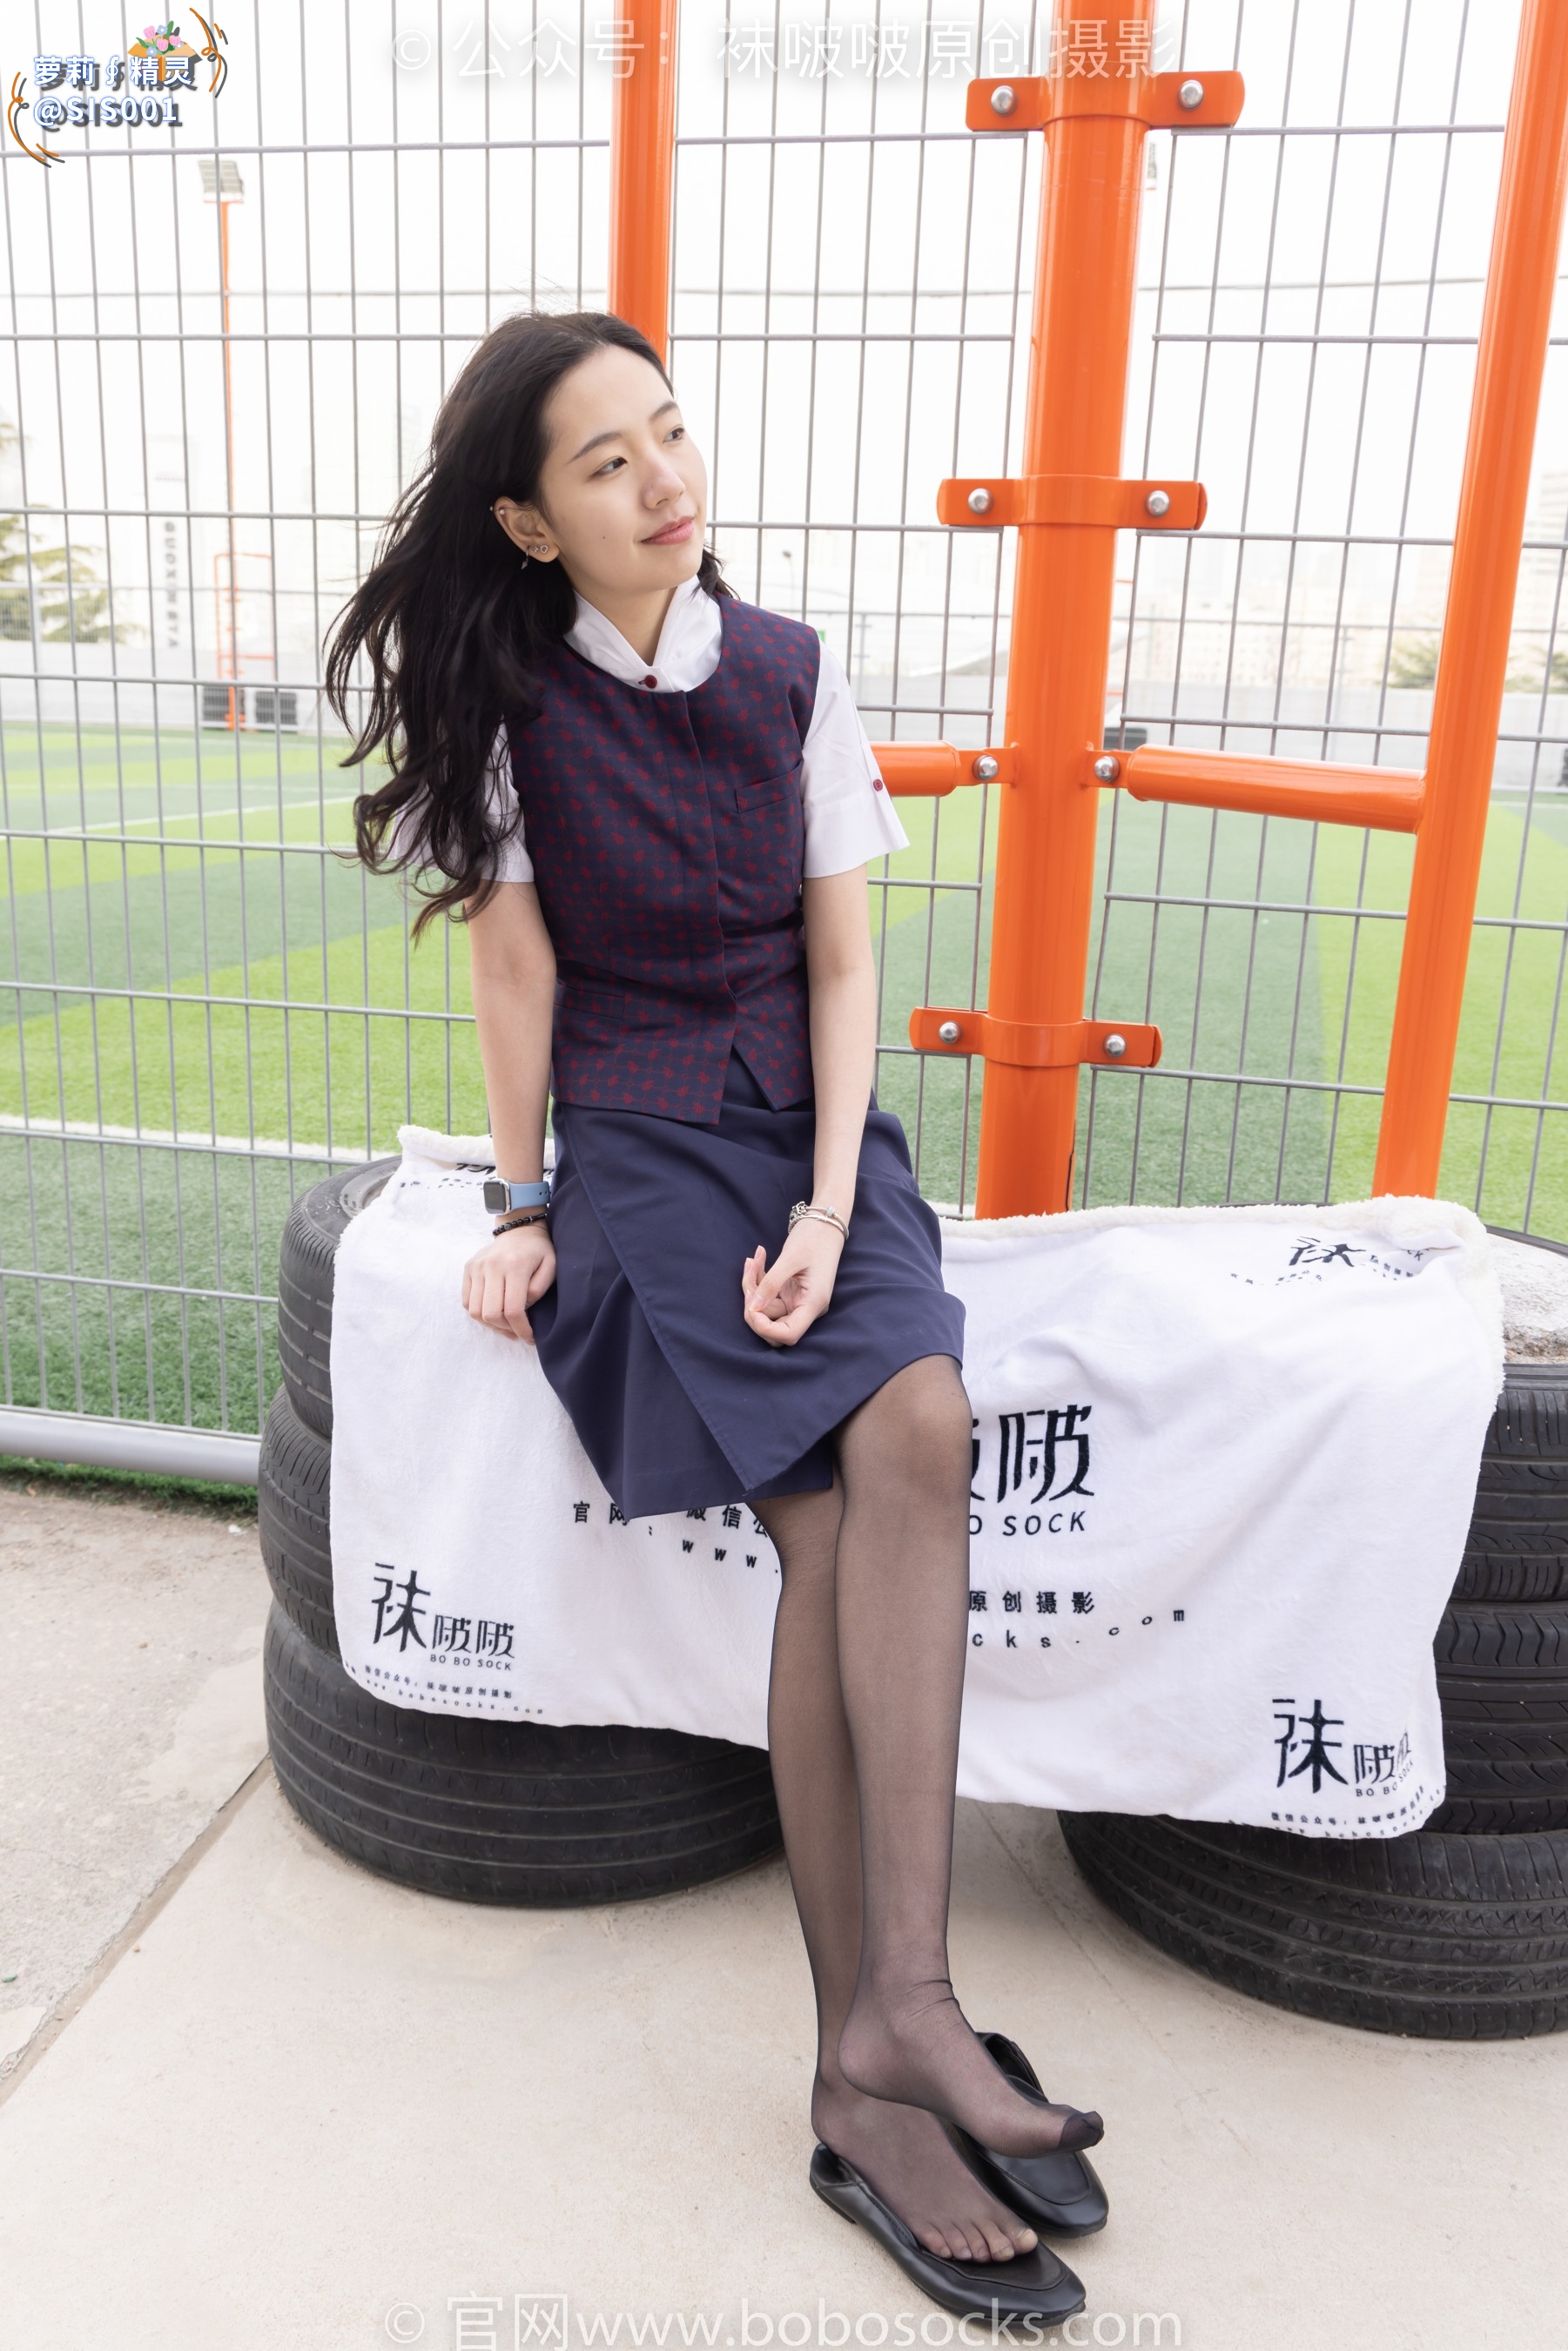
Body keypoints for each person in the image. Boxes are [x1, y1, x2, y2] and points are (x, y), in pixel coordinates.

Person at [326, 310, 1106, 2317]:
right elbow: (518, 980)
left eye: (667, 433)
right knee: (829, 1516)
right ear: (526, 520)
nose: (663, 479)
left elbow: (841, 964)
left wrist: (838, 1203)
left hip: (809, 1134)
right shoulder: (511, 715)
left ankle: (887, 2027)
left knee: (917, 1423)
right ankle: (884, 2048)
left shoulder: (788, 673)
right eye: (606, 462)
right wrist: (521, 1206)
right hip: (646, 1147)